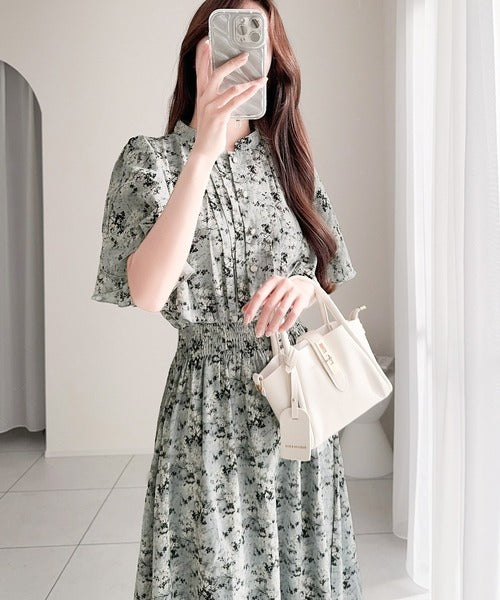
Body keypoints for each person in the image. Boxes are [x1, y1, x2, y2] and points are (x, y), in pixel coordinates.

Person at [91, 1, 362, 597]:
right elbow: (148, 292)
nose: (238, 59)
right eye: (224, 42)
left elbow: (325, 276)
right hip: (206, 409)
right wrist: (202, 153)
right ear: (196, 51)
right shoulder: (150, 161)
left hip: (294, 406)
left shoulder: (286, 162)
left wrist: (305, 286)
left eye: (255, 44)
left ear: (272, 63)